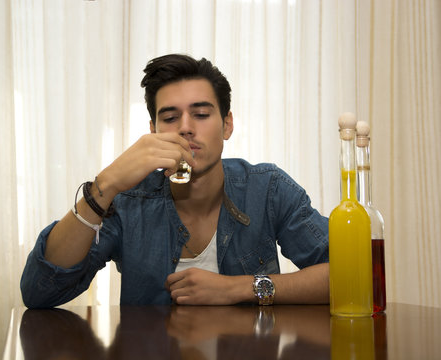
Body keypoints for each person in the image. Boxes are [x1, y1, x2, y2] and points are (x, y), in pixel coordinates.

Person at [20, 54, 329, 308]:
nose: (185, 128)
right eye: (169, 118)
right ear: (154, 130)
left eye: (201, 114)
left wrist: (239, 288)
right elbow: (40, 292)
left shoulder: (267, 189)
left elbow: (352, 276)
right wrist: (105, 185)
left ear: (227, 124)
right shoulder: (128, 201)